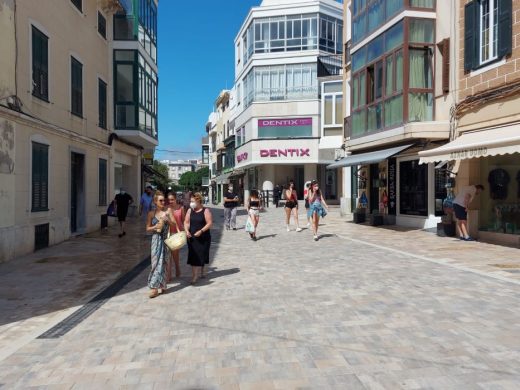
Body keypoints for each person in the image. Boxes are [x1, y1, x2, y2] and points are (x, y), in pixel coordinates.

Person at [145, 191, 176, 298]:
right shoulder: (151, 214)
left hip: (165, 240)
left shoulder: (168, 211)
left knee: (164, 263)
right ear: (155, 201)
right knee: (155, 263)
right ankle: (154, 288)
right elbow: (147, 228)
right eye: (160, 200)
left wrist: (168, 220)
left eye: (164, 200)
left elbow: (174, 224)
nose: (163, 202)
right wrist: (155, 227)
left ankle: (162, 285)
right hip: (155, 240)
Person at [184, 192, 213, 284]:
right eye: (190, 201)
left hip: (203, 237)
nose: (191, 203)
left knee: (202, 254)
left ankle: (202, 269)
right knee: (194, 256)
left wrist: (201, 231)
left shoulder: (205, 211)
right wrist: (186, 231)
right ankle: (194, 276)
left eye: (192, 201)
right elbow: (186, 222)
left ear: (198, 201)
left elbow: (209, 223)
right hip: (192, 237)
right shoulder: (189, 210)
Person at [167, 192, 185, 281]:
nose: (170, 201)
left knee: (175, 254)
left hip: (176, 234)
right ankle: (169, 274)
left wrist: (185, 231)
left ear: (175, 199)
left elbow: (184, 220)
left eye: (172, 199)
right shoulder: (167, 208)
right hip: (168, 234)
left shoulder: (180, 208)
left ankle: (177, 267)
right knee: (168, 255)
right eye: (169, 200)